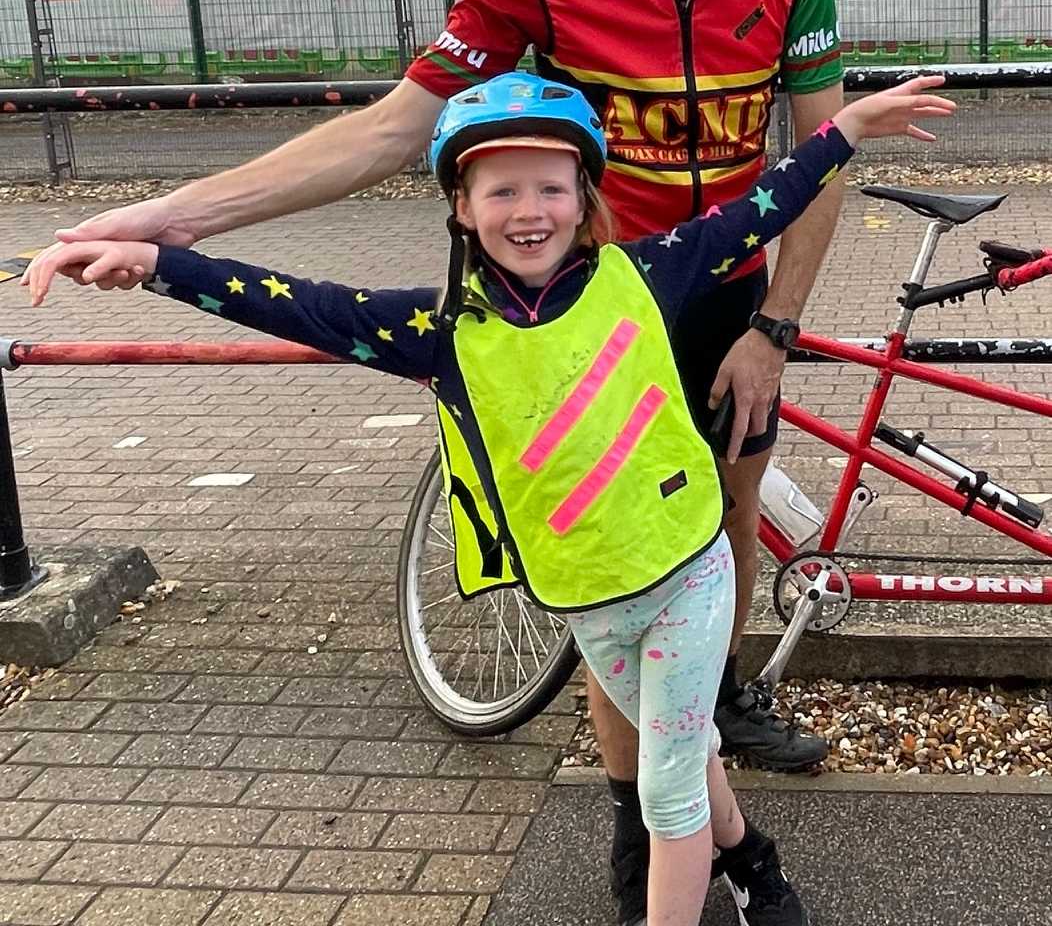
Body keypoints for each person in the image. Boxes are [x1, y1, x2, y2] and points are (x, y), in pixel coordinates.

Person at [31, 0, 847, 924]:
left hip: (720, 295)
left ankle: (715, 726)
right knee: (606, 567)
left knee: (721, 528)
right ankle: (644, 836)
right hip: (593, 306)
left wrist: (771, 330)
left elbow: (815, 154)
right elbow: (392, 130)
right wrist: (172, 223)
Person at [26, 71, 954, 926]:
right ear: (462, 210)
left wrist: (845, 130)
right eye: (500, 189)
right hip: (585, 596)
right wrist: (157, 263)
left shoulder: (645, 272)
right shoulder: (438, 330)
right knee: (687, 747)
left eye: (551, 186)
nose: (529, 209)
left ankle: (727, 883)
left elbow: (754, 210)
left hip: (687, 573)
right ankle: (755, 860)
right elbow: (299, 303)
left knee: (668, 787)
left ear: (585, 199)